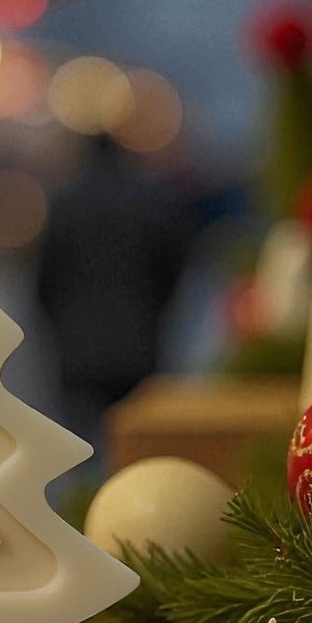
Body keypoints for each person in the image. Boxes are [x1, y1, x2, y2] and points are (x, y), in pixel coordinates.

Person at [35, 131, 190, 458]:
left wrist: (58, 326)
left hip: (77, 349)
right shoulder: (148, 200)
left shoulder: (64, 204)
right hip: (138, 343)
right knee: (137, 448)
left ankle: (86, 505)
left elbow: (44, 279)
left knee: (80, 449)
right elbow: (172, 267)